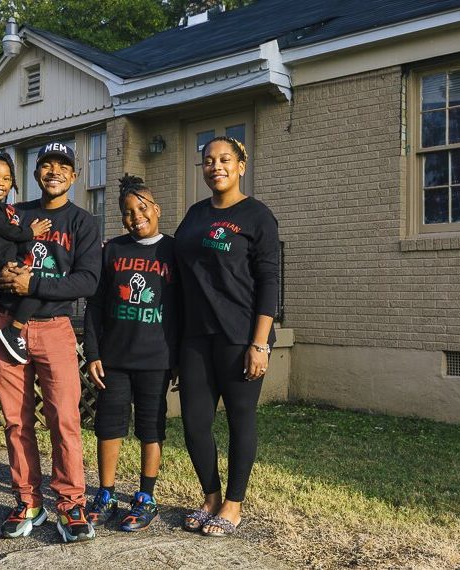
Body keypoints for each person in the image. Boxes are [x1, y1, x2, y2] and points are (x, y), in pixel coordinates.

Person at [0, 141, 102, 543]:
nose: (54, 171)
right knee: (16, 420)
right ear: (36, 173)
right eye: (46, 165)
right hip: (7, 323)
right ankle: (28, 500)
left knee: (64, 419)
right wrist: (1, 275)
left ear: (73, 176)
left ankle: (71, 503)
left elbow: (88, 281)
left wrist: (33, 282)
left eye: (63, 166)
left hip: (55, 327)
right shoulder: (15, 215)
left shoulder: (83, 223)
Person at [174, 136, 280, 537]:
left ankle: (234, 504)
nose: (215, 166)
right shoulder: (195, 214)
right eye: (208, 161)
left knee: (239, 420)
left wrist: (260, 343)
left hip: (238, 337)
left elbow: (269, 281)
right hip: (195, 338)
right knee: (194, 423)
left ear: (241, 165)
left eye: (224, 160)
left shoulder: (257, 216)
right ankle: (211, 497)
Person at [83, 175, 178, 532]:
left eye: (142, 208)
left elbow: (183, 307)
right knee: (108, 427)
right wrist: (92, 352)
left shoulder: (173, 251)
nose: (135, 216)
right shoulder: (113, 251)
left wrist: (179, 357)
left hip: (157, 358)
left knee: (151, 428)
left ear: (156, 210)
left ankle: (146, 496)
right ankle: (106, 493)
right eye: (127, 212)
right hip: (114, 359)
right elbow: (94, 305)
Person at [0, 150, 52, 364]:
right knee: (36, 289)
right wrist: (31, 232)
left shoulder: (1, 207)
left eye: (7, 179)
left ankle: (11, 333)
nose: (0, 183)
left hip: (1, 260)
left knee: (33, 289)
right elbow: (7, 231)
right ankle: (12, 332)